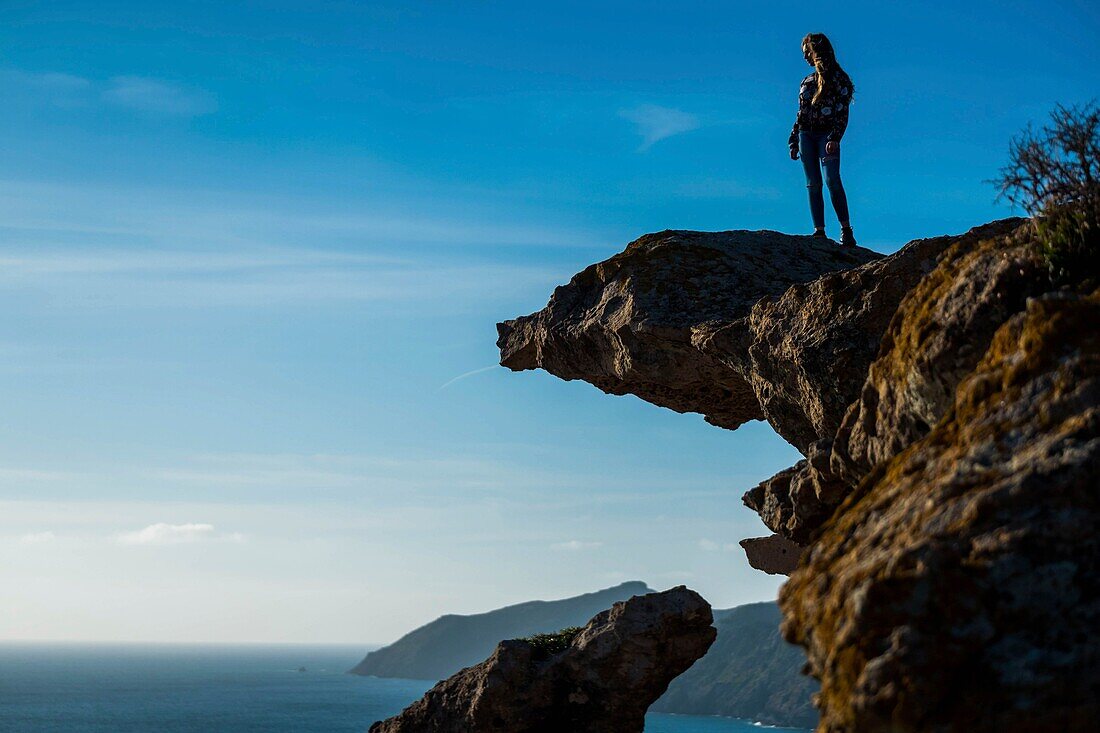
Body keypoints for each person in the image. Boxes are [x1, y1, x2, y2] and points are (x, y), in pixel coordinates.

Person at [789, 33, 857, 246]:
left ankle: (846, 229)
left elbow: (842, 111)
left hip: (827, 134)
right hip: (805, 135)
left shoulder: (839, 79)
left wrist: (836, 136)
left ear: (815, 51)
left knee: (832, 180)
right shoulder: (806, 82)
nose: (805, 58)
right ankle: (819, 230)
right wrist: (793, 139)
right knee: (813, 183)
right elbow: (800, 113)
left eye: (806, 53)